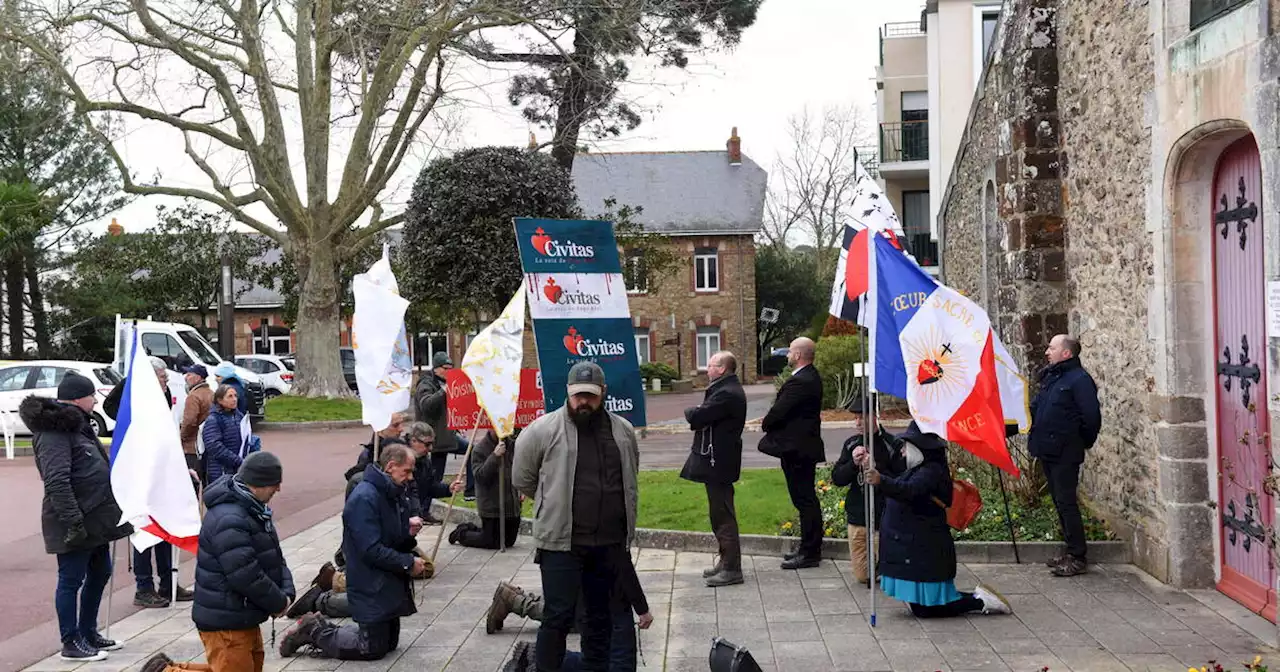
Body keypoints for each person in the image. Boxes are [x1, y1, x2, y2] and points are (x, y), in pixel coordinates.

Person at [513, 361, 639, 672]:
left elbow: (631, 477)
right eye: (578, 395)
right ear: (568, 393)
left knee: (597, 618)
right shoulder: (543, 430)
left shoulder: (623, 431)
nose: (584, 402)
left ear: (603, 393)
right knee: (557, 617)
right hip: (561, 544)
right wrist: (552, 503)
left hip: (608, 544)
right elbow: (522, 478)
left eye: (591, 396)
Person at [23, 373, 133, 662]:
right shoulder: (54, 431)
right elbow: (57, 481)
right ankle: (70, 642)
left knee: (100, 572)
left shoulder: (78, 426)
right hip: (73, 521)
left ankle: (88, 632)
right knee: (70, 580)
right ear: (76, 399)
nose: (96, 400)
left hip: (94, 519)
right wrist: (74, 521)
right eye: (91, 395)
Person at [278, 444, 424, 661]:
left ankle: (318, 625)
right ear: (391, 466)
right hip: (369, 581)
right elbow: (370, 549)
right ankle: (313, 629)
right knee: (371, 648)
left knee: (388, 644)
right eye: (407, 471)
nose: (410, 477)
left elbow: (389, 536)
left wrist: (408, 535)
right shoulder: (365, 497)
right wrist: (407, 563)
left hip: (386, 581)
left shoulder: (391, 492)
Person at [857, 423, 1012, 619]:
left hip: (924, 550)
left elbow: (909, 490)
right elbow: (899, 484)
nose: (903, 453)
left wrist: (881, 480)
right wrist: (876, 472)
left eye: (906, 447)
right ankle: (977, 599)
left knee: (928, 608)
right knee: (925, 606)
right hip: (917, 550)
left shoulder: (931, 471)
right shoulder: (921, 468)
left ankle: (979, 601)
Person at [184, 451, 293, 671]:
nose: (278, 489)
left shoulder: (253, 509)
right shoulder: (230, 519)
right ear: (258, 483)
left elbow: (273, 556)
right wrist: (278, 602)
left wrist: (287, 592)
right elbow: (246, 575)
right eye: (275, 483)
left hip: (243, 616)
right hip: (226, 624)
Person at [494, 545, 654, 672]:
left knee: (598, 657)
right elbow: (619, 555)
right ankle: (538, 654)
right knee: (611, 662)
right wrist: (641, 607)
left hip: (583, 571)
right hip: (594, 578)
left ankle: (538, 653)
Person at [1030, 334, 1101, 578]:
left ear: (1066, 353)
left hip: (1065, 453)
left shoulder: (1079, 380)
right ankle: (1070, 552)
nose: (1047, 352)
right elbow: (1038, 409)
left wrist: (1079, 442)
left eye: (1052, 347)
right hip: (1048, 450)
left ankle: (1078, 556)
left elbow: (1091, 418)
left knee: (1067, 502)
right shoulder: (1053, 378)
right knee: (1060, 502)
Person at [678, 351, 747, 588]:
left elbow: (697, 416)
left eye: (711, 365)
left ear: (722, 369)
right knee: (718, 512)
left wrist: (692, 412)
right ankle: (725, 561)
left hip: (719, 462)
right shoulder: (724, 390)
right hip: (718, 460)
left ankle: (731, 568)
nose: (707, 369)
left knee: (722, 514)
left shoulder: (726, 393)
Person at [759, 337, 825, 570]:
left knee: (804, 500)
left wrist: (766, 423)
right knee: (804, 499)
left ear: (798, 355)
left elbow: (779, 410)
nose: (786, 356)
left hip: (798, 450)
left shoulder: (801, 381)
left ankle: (810, 552)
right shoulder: (809, 377)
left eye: (789, 352)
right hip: (800, 448)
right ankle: (807, 548)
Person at [831, 414, 895, 587]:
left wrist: (876, 468)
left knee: (887, 575)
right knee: (863, 576)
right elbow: (837, 478)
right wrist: (852, 463)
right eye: (855, 418)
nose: (858, 422)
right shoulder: (851, 443)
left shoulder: (892, 444)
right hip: (858, 516)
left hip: (883, 517)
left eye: (863, 417)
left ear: (874, 417)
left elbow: (900, 481)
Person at [415, 352, 475, 499]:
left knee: (472, 450)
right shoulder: (426, 384)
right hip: (435, 438)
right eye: (445, 368)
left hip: (447, 435)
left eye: (450, 368)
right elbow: (426, 405)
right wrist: (443, 391)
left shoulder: (447, 383)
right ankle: (424, 509)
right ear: (436, 368)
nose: (449, 372)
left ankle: (470, 491)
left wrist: (457, 424)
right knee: (434, 477)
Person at [448, 429, 519, 549]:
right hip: (492, 506)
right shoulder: (479, 449)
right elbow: (480, 476)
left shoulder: (512, 445)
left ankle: (475, 529)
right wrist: (494, 456)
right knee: (491, 542)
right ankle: (461, 534)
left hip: (510, 505)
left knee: (509, 542)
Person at [203, 385, 247, 484]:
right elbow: (214, 447)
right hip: (220, 471)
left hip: (236, 469)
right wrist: (237, 460)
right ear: (219, 400)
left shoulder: (238, 416)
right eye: (230, 396)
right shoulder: (214, 419)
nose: (234, 399)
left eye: (235, 396)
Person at [180, 364, 214, 474]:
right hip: (208, 442)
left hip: (193, 446)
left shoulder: (193, 396)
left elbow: (189, 421)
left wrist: (182, 437)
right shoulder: (212, 393)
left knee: (193, 477)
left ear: (198, 377)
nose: (186, 377)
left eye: (189, 375)